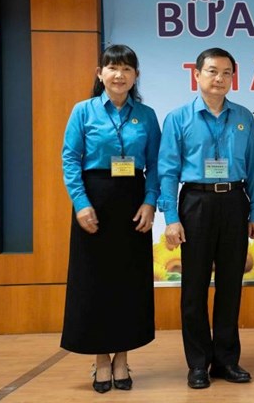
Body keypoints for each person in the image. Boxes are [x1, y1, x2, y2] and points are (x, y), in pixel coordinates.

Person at [158, 48, 254, 389]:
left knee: (231, 286)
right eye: (212, 71)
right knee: (194, 288)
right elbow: (167, 171)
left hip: (235, 201)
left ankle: (227, 360)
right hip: (196, 203)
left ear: (233, 77)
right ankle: (198, 363)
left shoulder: (244, 116)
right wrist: (171, 218)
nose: (219, 79)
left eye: (227, 73)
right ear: (197, 75)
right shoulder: (178, 118)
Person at [61, 44, 160, 393]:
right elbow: (70, 160)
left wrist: (150, 202)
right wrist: (80, 203)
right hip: (94, 202)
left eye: (127, 69)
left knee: (127, 284)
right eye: (112, 68)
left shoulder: (146, 115)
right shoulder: (83, 111)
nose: (119, 75)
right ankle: (101, 360)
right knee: (95, 284)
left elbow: (156, 164)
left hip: (132, 204)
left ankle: (122, 358)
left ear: (135, 76)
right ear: (100, 73)